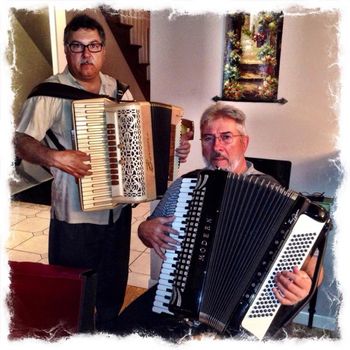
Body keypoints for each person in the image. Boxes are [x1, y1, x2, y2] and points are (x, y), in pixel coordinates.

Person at [14, 14, 191, 333]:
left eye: (93, 45)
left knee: (111, 294)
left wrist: (173, 150)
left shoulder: (118, 91)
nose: (86, 54)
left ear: (102, 50)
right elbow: (21, 141)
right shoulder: (49, 92)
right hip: (74, 219)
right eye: (77, 46)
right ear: (67, 50)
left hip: (116, 216)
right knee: (72, 296)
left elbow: (141, 141)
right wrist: (54, 157)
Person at [113, 102, 324, 341]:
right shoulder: (184, 186)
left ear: (244, 142)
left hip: (248, 309)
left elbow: (313, 264)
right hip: (181, 298)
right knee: (120, 332)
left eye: (226, 137)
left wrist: (306, 283)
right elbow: (149, 233)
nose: (217, 147)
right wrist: (144, 228)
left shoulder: (274, 193)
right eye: (208, 138)